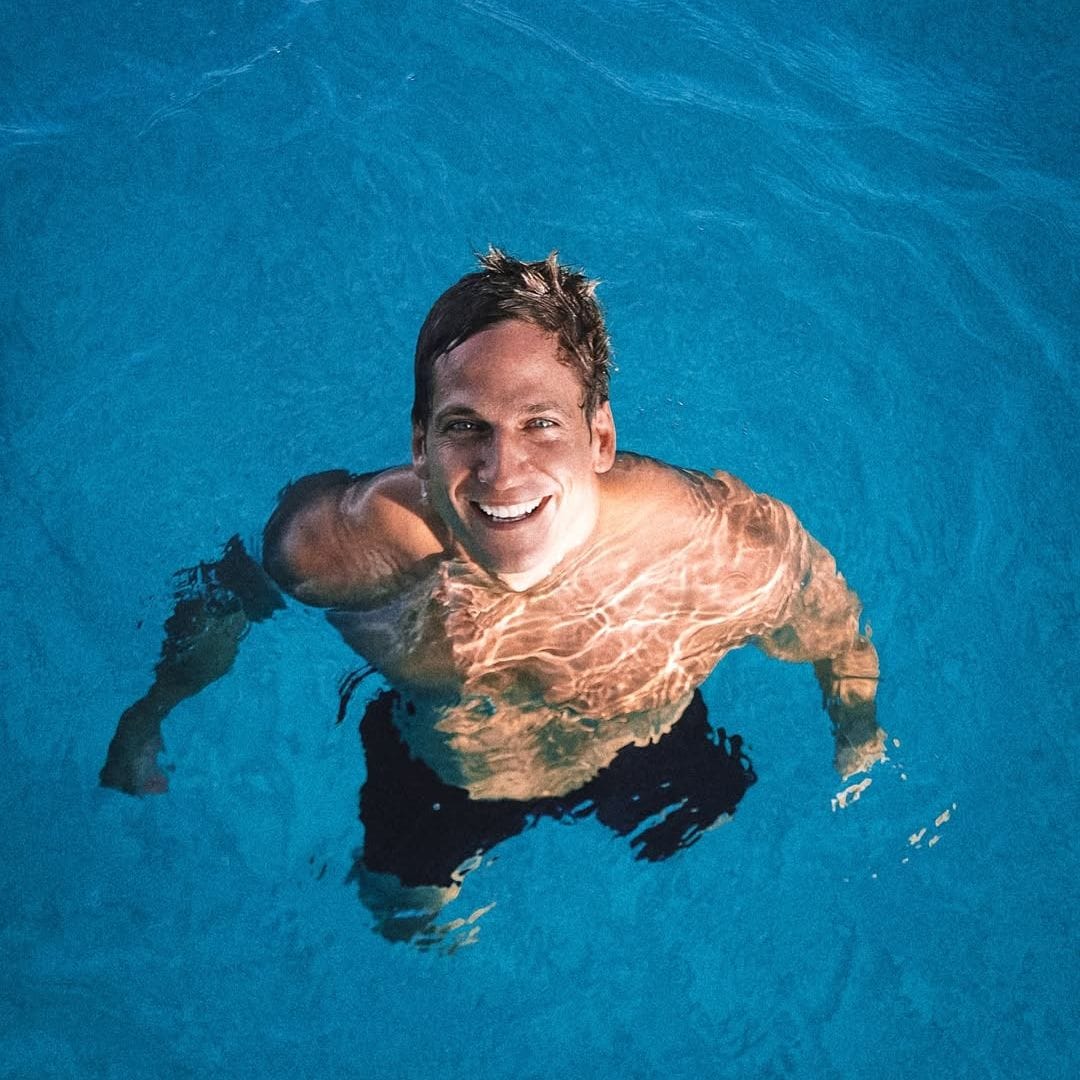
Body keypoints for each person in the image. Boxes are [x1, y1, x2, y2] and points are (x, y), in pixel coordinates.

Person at [102, 248, 882, 941]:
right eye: (466, 426)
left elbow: (834, 631)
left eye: (541, 423)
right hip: (442, 769)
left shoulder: (715, 548)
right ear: (420, 442)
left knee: (710, 867)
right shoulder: (338, 549)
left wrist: (859, 736)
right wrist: (151, 712)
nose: (502, 471)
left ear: (600, 438)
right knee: (401, 921)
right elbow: (232, 593)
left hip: (648, 745)